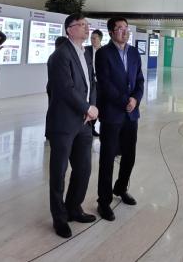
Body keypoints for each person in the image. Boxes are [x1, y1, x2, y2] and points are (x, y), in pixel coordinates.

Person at [45, 13, 98, 238]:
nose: (86, 28)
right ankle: (59, 217)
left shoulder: (85, 53)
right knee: (58, 173)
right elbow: (65, 89)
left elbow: (91, 83)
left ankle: (74, 208)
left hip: (84, 122)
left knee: (83, 168)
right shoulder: (60, 55)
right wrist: (87, 107)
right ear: (69, 29)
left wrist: (91, 106)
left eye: (87, 25)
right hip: (64, 122)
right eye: (81, 25)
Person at [95, 16, 144, 222]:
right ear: (111, 32)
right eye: (120, 28)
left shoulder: (133, 52)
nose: (125, 31)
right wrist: (125, 101)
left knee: (129, 155)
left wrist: (135, 99)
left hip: (131, 114)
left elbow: (139, 80)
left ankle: (121, 188)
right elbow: (105, 84)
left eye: (126, 28)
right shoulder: (103, 53)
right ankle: (103, 201)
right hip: (112, 113)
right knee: (107, 159)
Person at [85, 29, 103, 137]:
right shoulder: (86, 50)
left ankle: (93, 126)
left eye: (94, 38)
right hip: (90, 82)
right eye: (91, 38)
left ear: (100, 39)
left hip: (101, 83)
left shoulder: (104, 51)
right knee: (91, 104)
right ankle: (89, 128)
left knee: (99, 104)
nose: (92, 40)